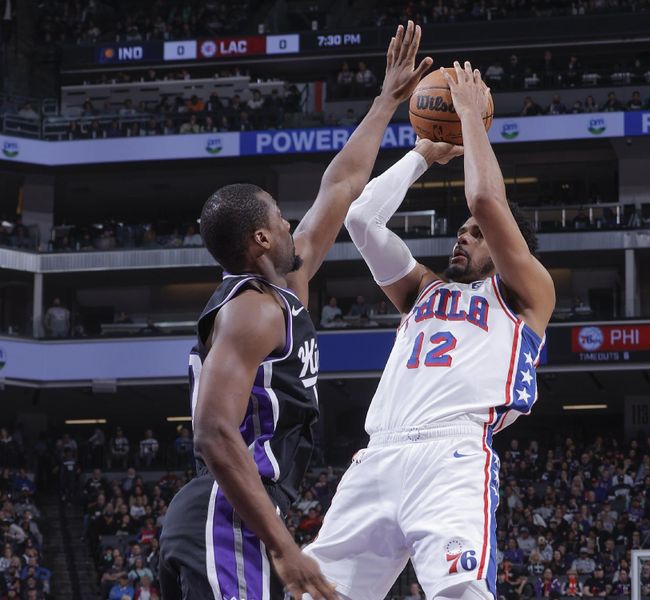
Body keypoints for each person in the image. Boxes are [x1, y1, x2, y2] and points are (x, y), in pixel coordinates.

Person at [158, 20, 434, 600]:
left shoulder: (288, 282)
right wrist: (287, 549)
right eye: (279, 216)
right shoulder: (252, 312)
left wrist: (388, 100)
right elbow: (211, 431)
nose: (290, 221)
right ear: (261, 239)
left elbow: (342, 184)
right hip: (227, 514)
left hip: (242, 514)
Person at [304, 60, 555, 600]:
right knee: (314, 593)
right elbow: (361, 220)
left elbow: (486, 202)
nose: (462, 239)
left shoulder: (527, 292)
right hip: (378, 456)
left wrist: (468, 115)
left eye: (476, 236)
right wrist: (422, 153)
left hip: (453, 453)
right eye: (461, 234)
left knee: (459, 593)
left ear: (507, 245)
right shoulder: (423, 289)